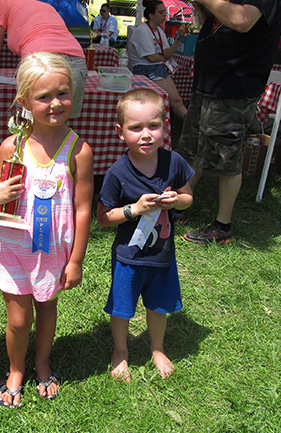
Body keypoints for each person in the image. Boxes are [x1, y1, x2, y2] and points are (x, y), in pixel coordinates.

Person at [0, 52, 94, 408]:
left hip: (54, 252)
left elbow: (82, 208)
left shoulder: (79, 150)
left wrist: (76, 260)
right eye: (43, 96)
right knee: (18, 320)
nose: (55, 103)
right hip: (15, 248)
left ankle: (42, 361)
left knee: (47, 308)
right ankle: (16, 368)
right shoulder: (11, 147)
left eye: (63, 93)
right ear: (24, 101)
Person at [97, 88, 193, 381]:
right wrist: (133, 209)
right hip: (129, 256)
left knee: (158, 305)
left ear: (165, 126)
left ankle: (157, 347)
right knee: (122, 307)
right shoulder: (117, 172)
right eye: (136, 128)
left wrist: (176, 199)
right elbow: (103, 218)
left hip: (162, 255)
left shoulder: (173, 162)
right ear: (120, 132)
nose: (146, 134)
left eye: (154, 125)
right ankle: (121, 350)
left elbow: (189, 197)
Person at [177, 0, 281, 244]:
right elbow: (216, 18)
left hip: (235, 83)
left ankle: (222, 226)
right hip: (211, 79)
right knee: (193, 148)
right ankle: (179, 205)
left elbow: (241, 20)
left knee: (226, 156)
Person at [0, 0, 88, 119]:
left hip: (42, 62)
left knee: (34, 130)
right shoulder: (46, 6)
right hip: (77, 61)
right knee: (60, 127)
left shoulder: (3, 2)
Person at [127, 0, 188, 121]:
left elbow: (167, 54)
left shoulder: (159, 31)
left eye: (164, 12)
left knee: (178, 100)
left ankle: (190, 126)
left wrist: (178, 39)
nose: (164, 15)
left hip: (158, 68)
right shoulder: (143, 31)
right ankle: (192, 127)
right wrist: (164, 57)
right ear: (151, 15)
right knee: (175, 100)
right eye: (161, 12)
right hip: (145, 70)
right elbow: (152, 57)